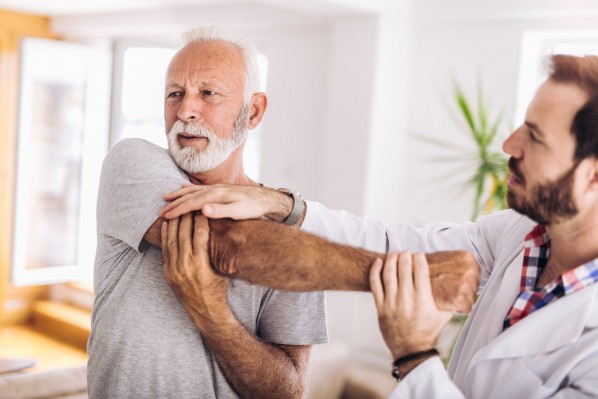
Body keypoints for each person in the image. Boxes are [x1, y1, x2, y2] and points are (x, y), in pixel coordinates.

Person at [160, 54, 598, 398]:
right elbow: (394, 245)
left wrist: (415, 355)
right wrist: (283, 205)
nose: (509, 144)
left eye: (536, 136)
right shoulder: (518, 234)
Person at [87, 26, 329, 399]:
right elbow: (220, 244)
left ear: (254, 111)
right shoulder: (131, 163)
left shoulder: (295, 231)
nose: (185, 110)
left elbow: (288, 391)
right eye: (175, 94)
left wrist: (214, 314)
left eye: (208, 93)